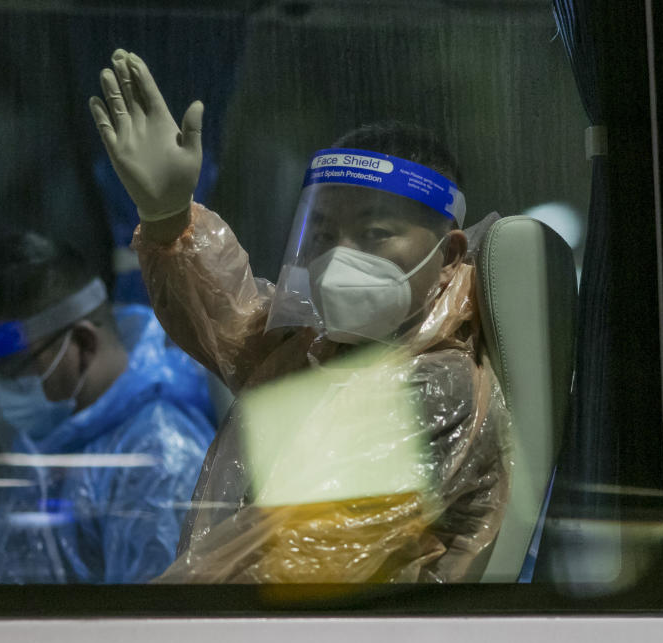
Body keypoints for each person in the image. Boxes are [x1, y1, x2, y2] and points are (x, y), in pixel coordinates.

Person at [88, 49, 512, 583]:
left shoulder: (435, 388)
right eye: (324, 235)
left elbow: (291, 564)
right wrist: (169, 220)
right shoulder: (321, 351)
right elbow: (228, 321)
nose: (340, 256)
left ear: (449, 257)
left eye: (376, 234)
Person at [0, 232, 216, 583]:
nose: (2, 393)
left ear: (83, 343)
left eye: (13, 370)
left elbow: (150, 629)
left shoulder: (159, 460)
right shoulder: (49, 446)